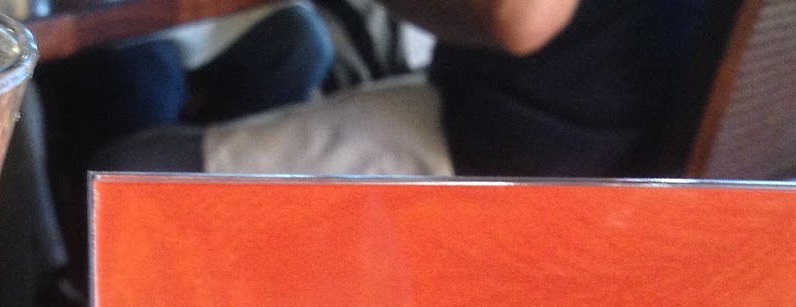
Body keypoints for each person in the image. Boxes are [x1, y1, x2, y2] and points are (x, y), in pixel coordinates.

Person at [95, 0, 715, 180]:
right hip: (648, 147)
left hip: (526, 154)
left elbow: (521, 18)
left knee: (130, 167)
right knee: (293, 44)